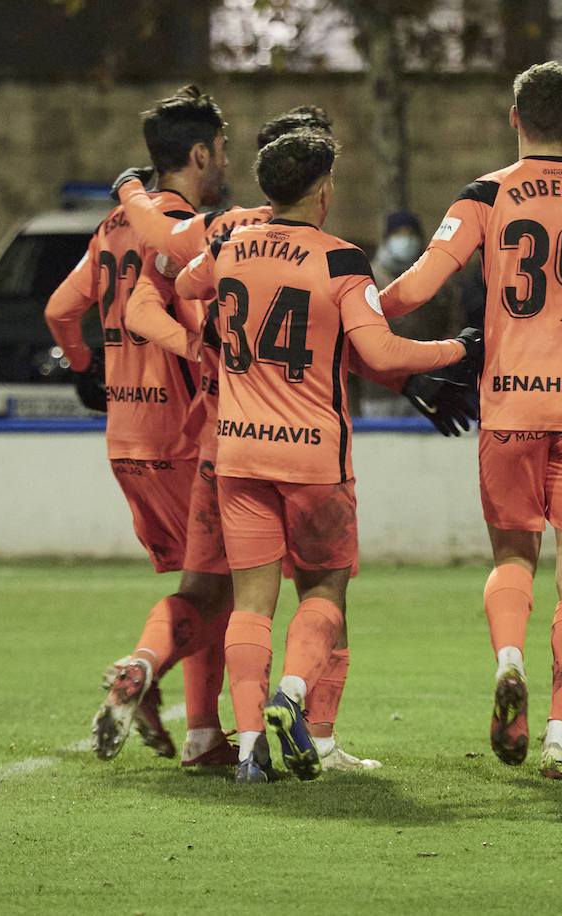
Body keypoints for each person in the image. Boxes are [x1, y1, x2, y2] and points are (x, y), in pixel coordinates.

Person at [379, 61, 562, 779]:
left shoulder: (486, 193)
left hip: (509, 401)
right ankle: (558, 740)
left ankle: (508, 660)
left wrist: (359, 307)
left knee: (514, 557)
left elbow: (414, 288)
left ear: (514, 117)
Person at [109, 106, 410, 773]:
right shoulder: (326, 250)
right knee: (324, 592)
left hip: (226, 443)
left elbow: (155, 261)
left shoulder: (227, 231)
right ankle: (318, 734)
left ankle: (226, 738)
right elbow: (362, 339)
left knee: (220, 595)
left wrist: (131, 194)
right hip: (306, 441)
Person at [175, 127, 478, 783]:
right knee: (324, 593)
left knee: (251, 604)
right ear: (323, 192)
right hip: (314, 459)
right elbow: (382, 355)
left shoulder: (229, 245)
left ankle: (252, 747)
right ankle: (291, 693)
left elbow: (185, 282)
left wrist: (212, 336)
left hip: (239, 457)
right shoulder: (341, 260)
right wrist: (457, 350)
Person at [45, 85, 237, 767]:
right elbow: (184, 317)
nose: (225, 161)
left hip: (124, 435)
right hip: (181, 434)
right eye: (221, 150)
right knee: (219, 588)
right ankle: (151, 672)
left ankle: (201, 731)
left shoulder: (109, 231)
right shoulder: (187, 232)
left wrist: (82, 367)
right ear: (197, 154)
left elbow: (59, 310)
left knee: (203, 585)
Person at [357, 210, 466, 418]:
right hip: (379, 393)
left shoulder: (438, 278)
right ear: (386, 239)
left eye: (410, 234)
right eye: (398, 234)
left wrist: (439, 370)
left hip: (429, 386)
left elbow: (455, 322)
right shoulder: (367, 279)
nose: (405, 240)